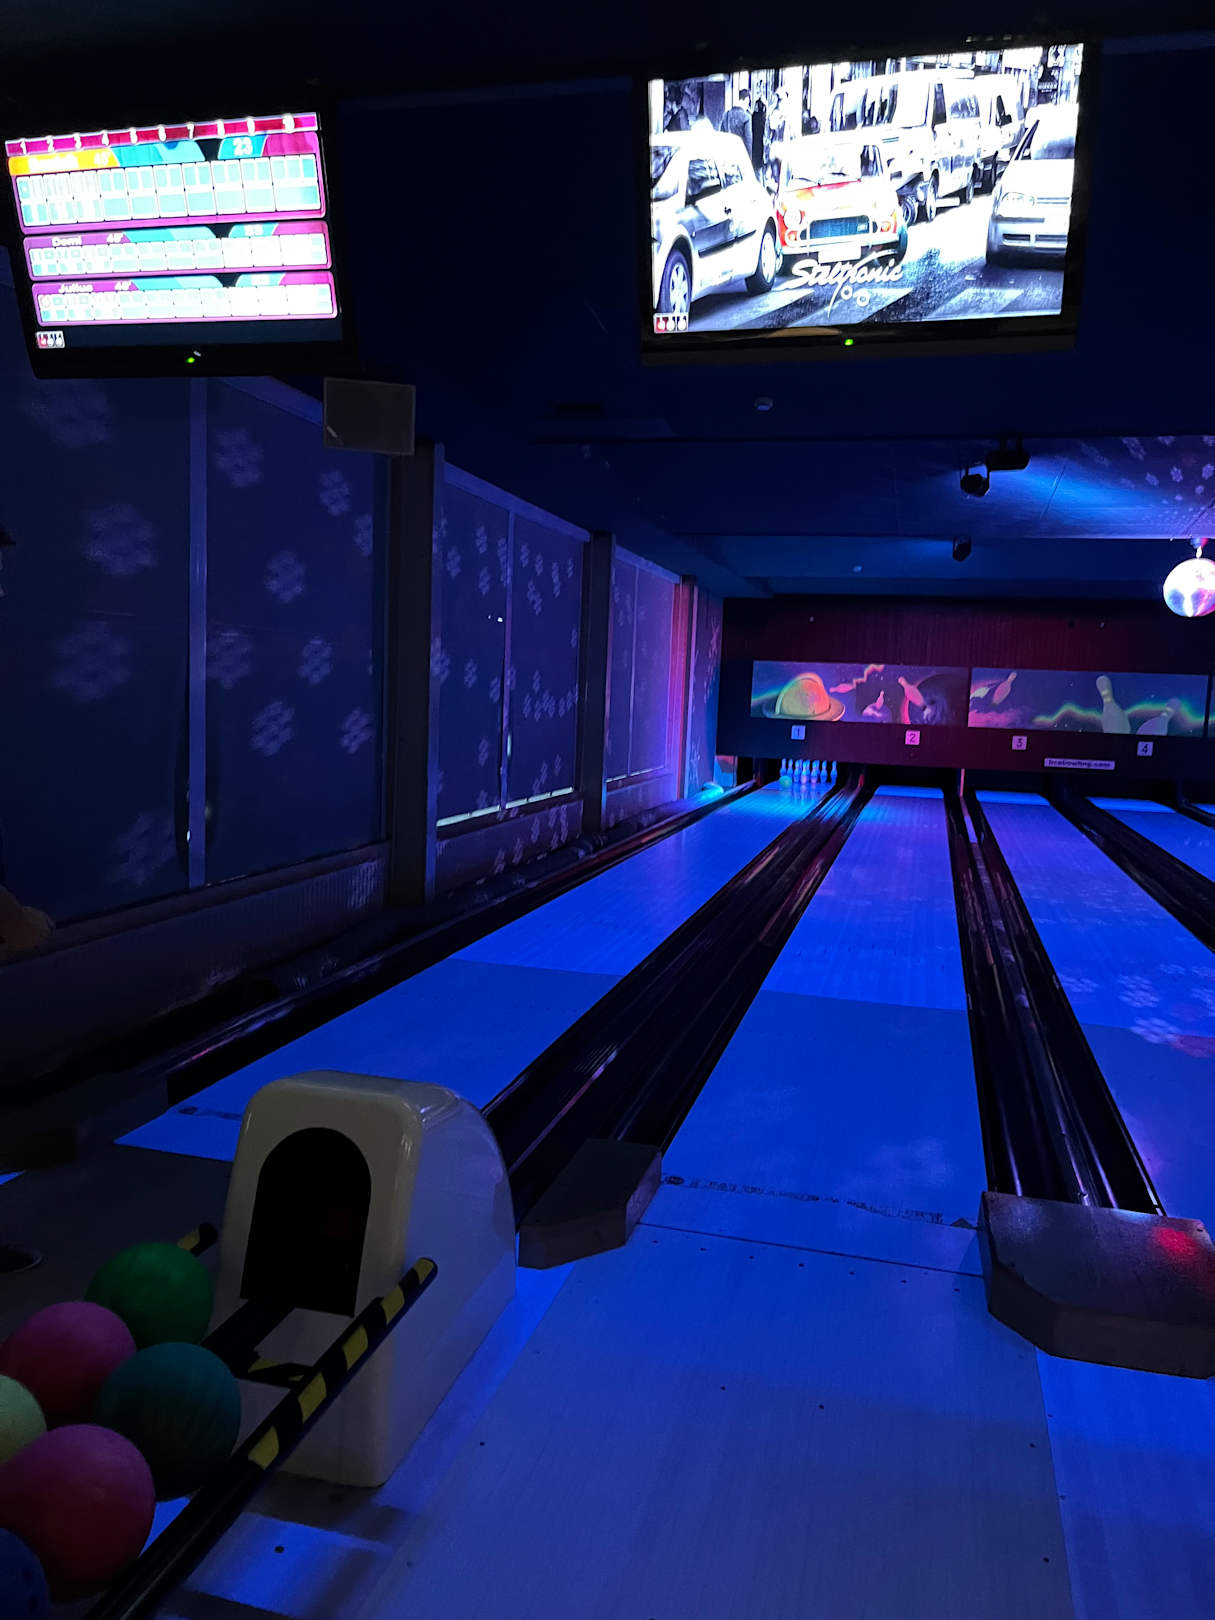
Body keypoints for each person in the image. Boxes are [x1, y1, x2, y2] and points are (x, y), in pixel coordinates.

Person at [723, 88, 752, 153]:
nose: (747, 106)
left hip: (727, 153)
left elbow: (721, 137)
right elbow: (748, 141)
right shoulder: (746, 117)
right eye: (748, 103)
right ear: (746, 100)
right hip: (741, 154)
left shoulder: (726, 114)